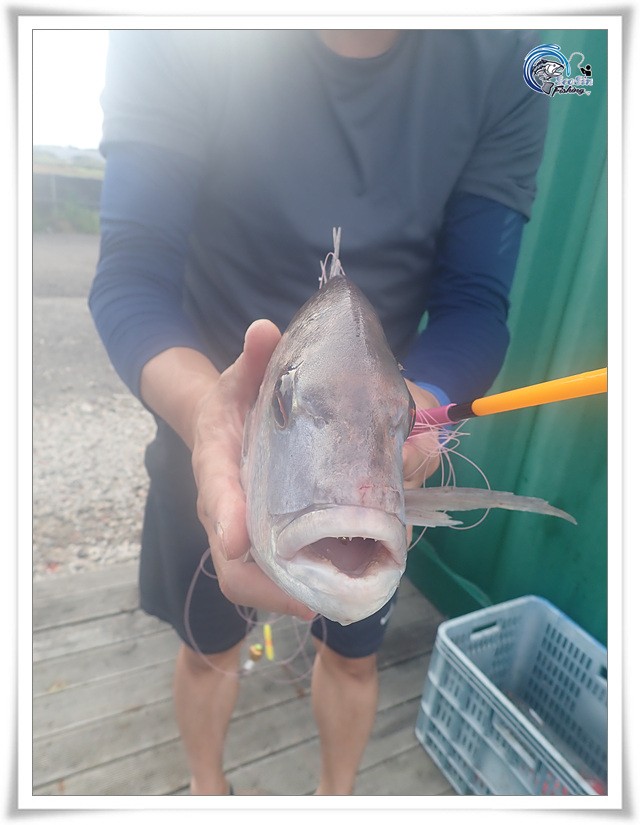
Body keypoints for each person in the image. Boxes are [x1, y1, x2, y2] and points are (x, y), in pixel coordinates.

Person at [89, 28, 548, 795]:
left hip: (384, 441)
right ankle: (207, 792)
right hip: (208, 422)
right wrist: (207, 413)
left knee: (355, 657)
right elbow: (131, 275)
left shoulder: (521, 58)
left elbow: (475, 302)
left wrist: (419, 402)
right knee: (207, 648)